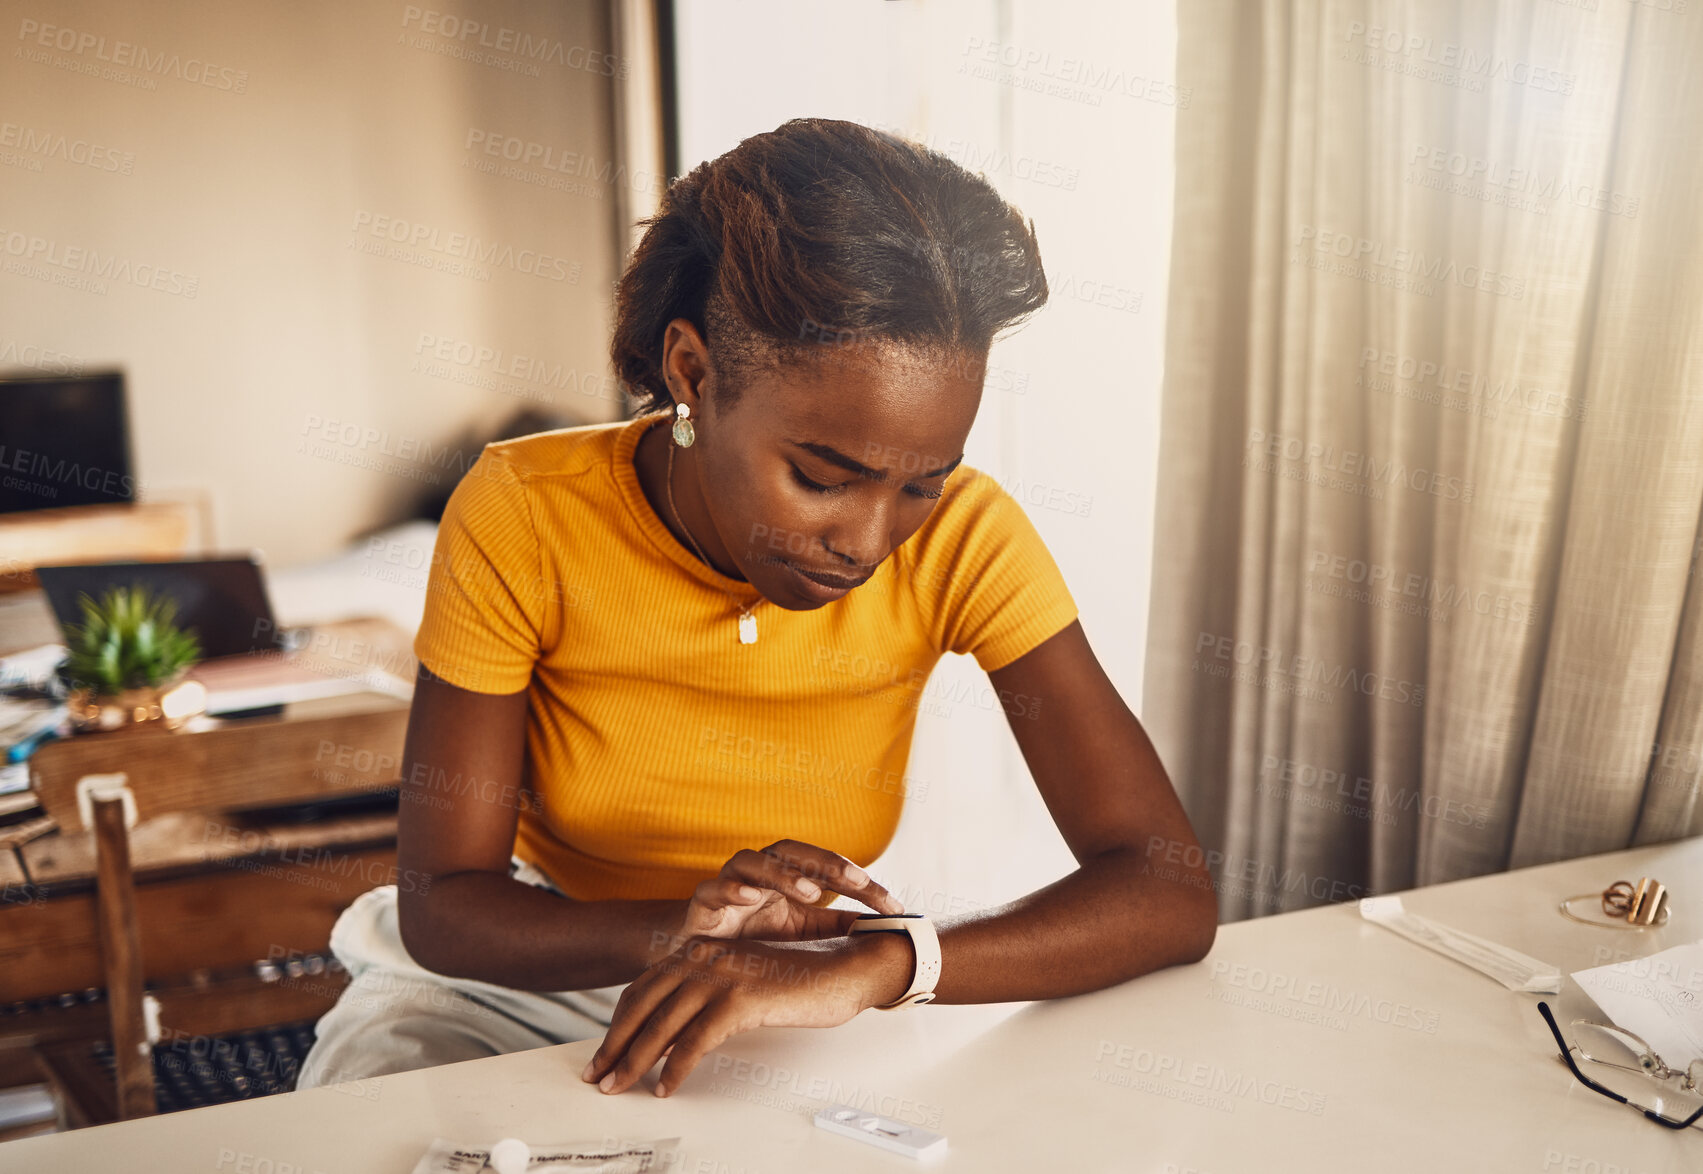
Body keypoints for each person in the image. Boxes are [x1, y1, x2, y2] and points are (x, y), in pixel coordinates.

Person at [297, 117, 1216, 1098]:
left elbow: (1163, 888)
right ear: (692, 374)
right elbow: (444, 904)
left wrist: (878, 961)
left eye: (920, 483)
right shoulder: (524, 512)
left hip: (798, 989)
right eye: (822, 476)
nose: (867, 541)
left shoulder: (967, 537)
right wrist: (690, 928)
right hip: (520, 976)